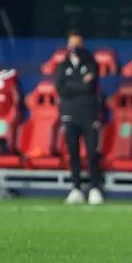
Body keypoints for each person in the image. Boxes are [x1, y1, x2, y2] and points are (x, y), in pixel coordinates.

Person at [54, 30, 104, 205]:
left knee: (91, 152)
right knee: (73, 153)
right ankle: (76, 187)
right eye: (71, 43)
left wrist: (74, 86)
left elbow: (90, 86)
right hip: (69, 115)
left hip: (89, 114)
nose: (74, 47)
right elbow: (61, 88)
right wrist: (80, 83)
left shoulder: (91, 64)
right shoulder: (62, 66)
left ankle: (95, 188)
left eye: (77, 43)